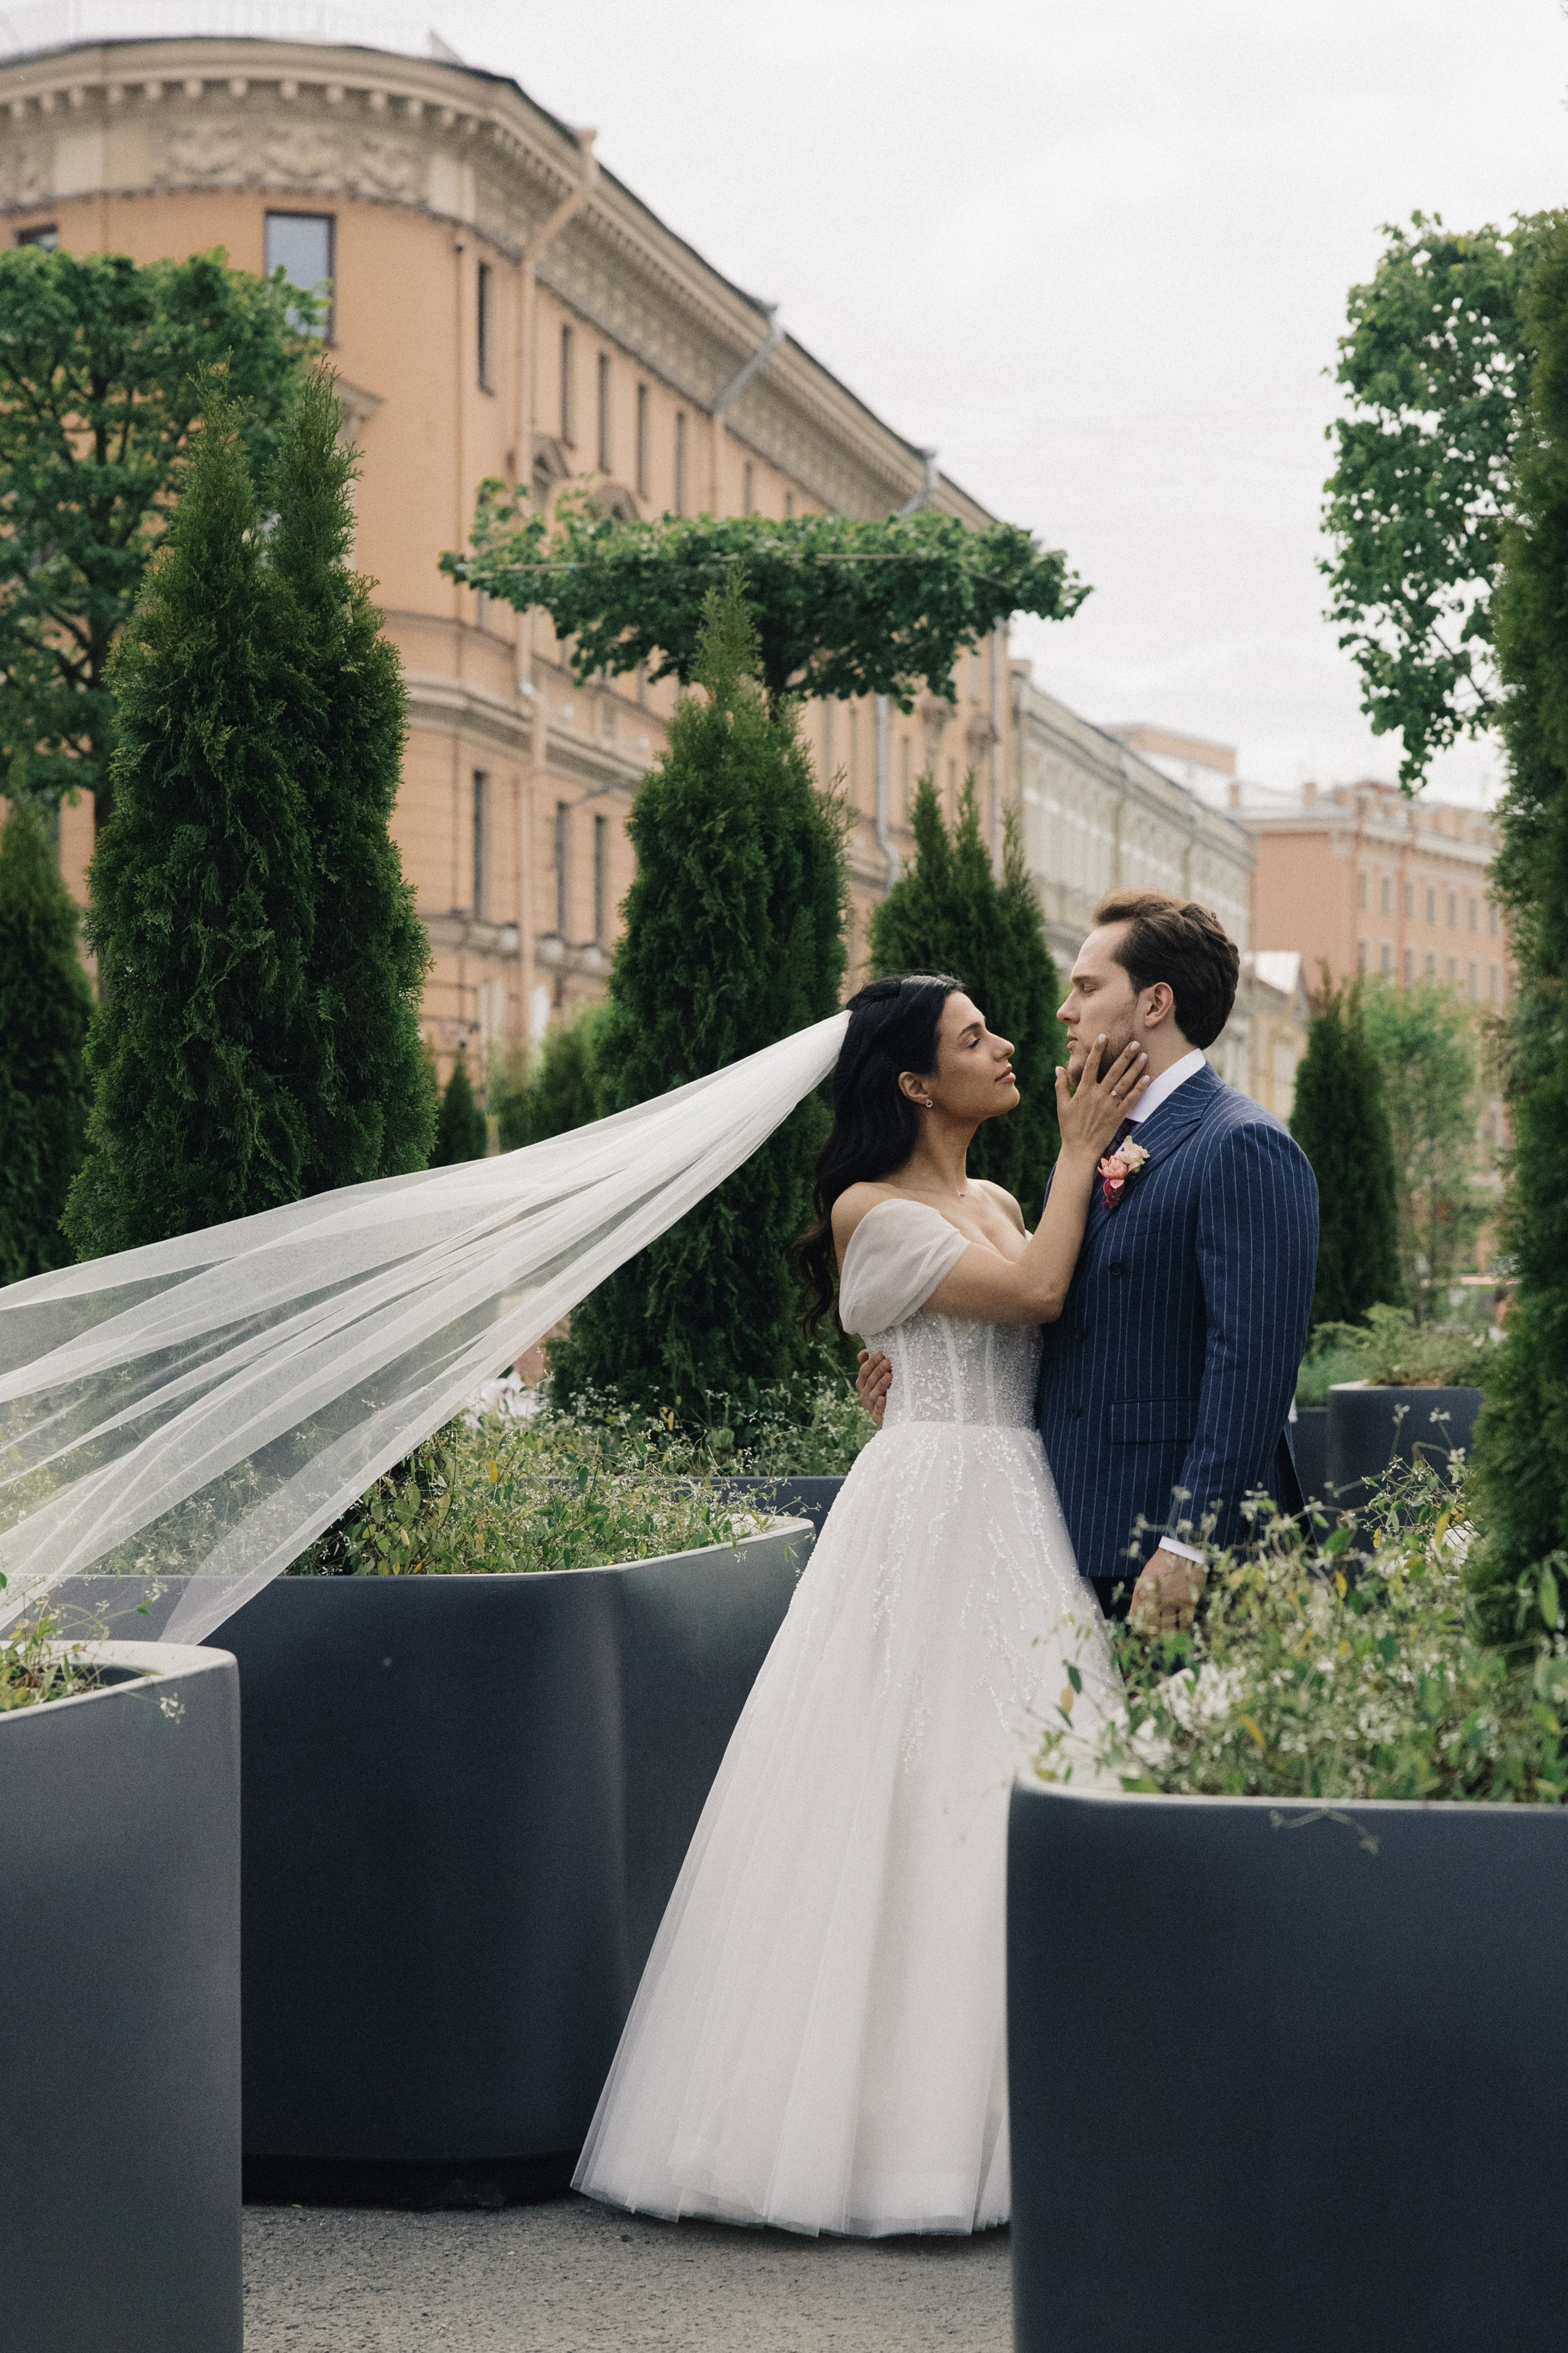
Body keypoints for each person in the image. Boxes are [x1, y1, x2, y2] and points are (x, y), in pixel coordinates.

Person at [574, 972, 1146, 2237]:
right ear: (909, 1080)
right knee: (895, 1789)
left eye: (993, 1031)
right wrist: (1079, 1152)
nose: (1003, 1048)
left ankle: (1028, 2118)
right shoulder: (869, 1211)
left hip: (1010, 1497)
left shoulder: (992, 1196)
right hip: (929, 1503)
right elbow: (1040, 1293)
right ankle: (885, 2140)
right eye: (971, 1039)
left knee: (1003, 1782)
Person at [857, 891, 1319, 1630]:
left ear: (1154, 1003)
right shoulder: (1090, 1146)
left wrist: (1188, 1545)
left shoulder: (1241, 1145)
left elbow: (1253, 1369)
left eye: (1086, 987)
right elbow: (1063, 1320)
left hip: (1178, 1561)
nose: (1064, 1011)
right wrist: (922, 1382)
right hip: (1064, 1537)